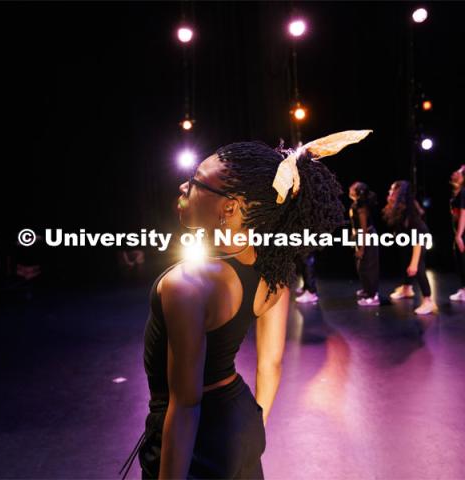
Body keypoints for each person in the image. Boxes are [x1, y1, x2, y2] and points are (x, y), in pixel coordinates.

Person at [120, 135, 358, 480]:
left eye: (196, 182)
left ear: (229, 208)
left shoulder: (186, 286)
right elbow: (271, 364)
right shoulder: (274, 271)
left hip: (195, 440)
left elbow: (185, 405)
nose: (183, 186)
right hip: (241, 420)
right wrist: (250, 427)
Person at [383, 180, 437, 315]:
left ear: (399, 193)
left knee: (417, 266)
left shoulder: (410, 209)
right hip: (408, 238)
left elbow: (417, 238)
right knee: (405, 260)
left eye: (392, 190)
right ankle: (407, 288)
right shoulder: (398, 206)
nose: (390, 192)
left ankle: (428, 301)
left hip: (419, 238)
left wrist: (414, 263)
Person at [348, 181, 380, 306]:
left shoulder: (361, 207)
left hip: (368, 237)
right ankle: (367, 290)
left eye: (354, 187)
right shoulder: (355, 204)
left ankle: (373, 295)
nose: (350, 188)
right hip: (360, 236)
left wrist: (362, 247)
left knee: (369, 266)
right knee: (361, 266)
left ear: (358, 192)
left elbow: (364, 228)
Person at [449, 165, 465, 302]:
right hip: (459, 230)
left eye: (459, 171)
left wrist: (459, 235)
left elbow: (464, 213)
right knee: (460, 261)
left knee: (463, 260)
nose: (455, 173)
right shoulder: (459, 192)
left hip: (463, 231)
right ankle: (463, 289)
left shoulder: (463, 192)